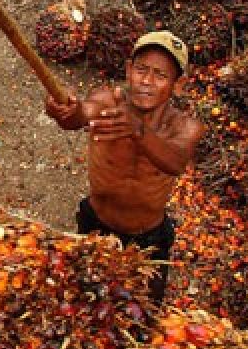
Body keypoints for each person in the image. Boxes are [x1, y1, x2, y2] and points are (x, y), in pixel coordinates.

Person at [45, 30, 204, 306]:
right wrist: (66, 112)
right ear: (129, 70)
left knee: (141, 314)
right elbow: (80, 114)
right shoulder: (108, 102)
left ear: (178, 85)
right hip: (97, 225)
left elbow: (176, 162)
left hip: (148, 239)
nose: (147, 81)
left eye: (160, 75)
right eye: (141, 69)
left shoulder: (185, 127)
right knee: (84, 303)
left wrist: (138, 129)